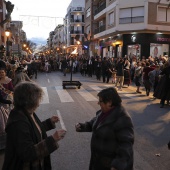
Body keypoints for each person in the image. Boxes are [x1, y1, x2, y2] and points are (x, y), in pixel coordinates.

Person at [2, 82, 66, 170]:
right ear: (30, 101)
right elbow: (27, 153)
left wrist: (49, 122)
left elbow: (32, 130)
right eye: (38, 99)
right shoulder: (18, 122)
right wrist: (52, 139)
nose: (39, 103)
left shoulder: (26, 112)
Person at [75, 87, 134, 170]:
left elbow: (126, 144)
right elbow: (95, 123)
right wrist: (83, 126)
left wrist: (118, 165)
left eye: (101, 101)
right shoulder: (104, 113)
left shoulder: (123, 118)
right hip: (99, 161)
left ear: (109, 103)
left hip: (109, 164)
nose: (98, 103)